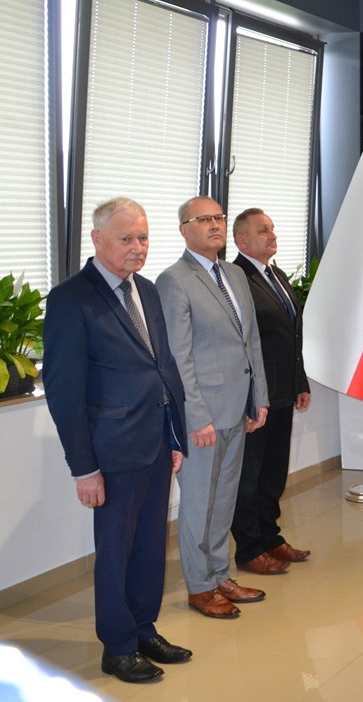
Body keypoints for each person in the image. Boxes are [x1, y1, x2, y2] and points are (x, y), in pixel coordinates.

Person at [43, 197, 192, 683]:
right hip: (111, 451)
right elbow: (64, 392)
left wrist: (175, 434)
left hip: (155, 443)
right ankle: (118, 646)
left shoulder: (145, 290)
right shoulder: (71, 299)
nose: (137, 247)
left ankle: (144, 629)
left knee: (150, 546)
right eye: (126, 238)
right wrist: (84, 467)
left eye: (143, 237)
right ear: (97, 239)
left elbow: (163, 365)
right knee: (115, 553)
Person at [156, 196, 270, 618]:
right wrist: (195, 416)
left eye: (219, 217)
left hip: (237, 407)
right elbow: (178, 357)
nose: (215, 225)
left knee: (224, 499)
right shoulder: (174, 281)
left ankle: (220, 574)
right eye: (203, 219)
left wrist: (259, 397)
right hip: (202, 416)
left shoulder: (235, 274)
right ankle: (200, 587)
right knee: (199, 504)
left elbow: (250, 341)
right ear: (184, 229)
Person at [230, 208, 312, 574]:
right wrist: (252, 396)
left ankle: (270, 538)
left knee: (273, 473)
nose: (272, 235)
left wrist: (300, 381)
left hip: (283, 391)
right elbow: (241, 344)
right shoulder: (236, 279)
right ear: (242, 240)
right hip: (256, 397)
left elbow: (291, 335)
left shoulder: (275, 275)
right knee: (249, 476)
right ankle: (249, 549)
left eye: (272, 229)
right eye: (263, 230)